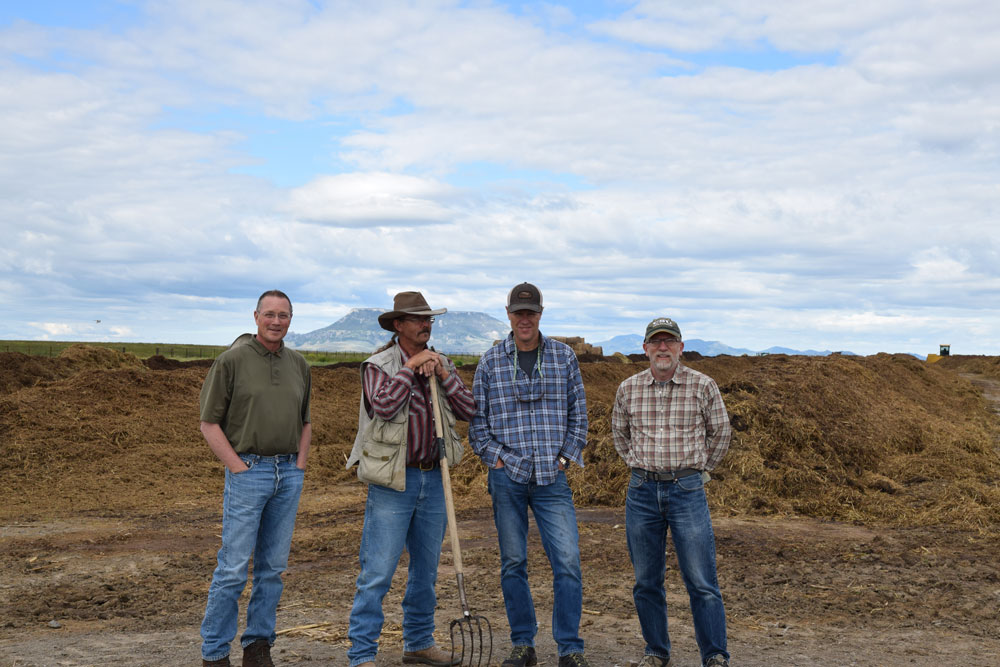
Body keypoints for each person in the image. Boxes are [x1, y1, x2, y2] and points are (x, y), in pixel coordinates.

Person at [344, 291, 475, 667]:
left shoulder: (442, 362)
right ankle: (362, 654)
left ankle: (418, 643)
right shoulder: (378, 365)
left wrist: (443, 373)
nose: (426, 325)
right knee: (378, 571)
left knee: (426, 570)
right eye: (418, 319)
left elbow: (468, 408)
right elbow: (382, 406)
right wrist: (409, 367)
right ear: (398, 325)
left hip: (434, 479)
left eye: (429, 319)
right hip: (391, 482)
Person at [469, 282, 591, 667]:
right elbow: (477, 424)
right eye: (518, 312)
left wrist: (564, 460)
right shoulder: (490, 362)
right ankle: (524, 645)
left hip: (552, 479)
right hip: (508, 478)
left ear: (540, 314)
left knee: (568, 562)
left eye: (531, 312)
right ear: (508, 314)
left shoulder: (563, 357)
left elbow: (580, 417)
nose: (525, 318)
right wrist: (497, 461)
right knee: (513, 563)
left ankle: (569, 648)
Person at [199, 290, 312, 667]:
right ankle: (214, 654)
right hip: (249, 471)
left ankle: (258, 647)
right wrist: (237, 467)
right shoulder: (231, 361)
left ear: (291, 319)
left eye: (283, 315)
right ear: (256, 316)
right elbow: (208, 422)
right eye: (270, 314)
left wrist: (299, 465)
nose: (276, 321)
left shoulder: (299, 364)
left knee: (273, 569)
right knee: (232, 569)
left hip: (288, 474)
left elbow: (306, 420)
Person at [611, 317, 733, 667]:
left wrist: (698, 470)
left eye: (669, 342)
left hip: (687, 490)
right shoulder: (628, 388)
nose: (662, 348)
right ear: (645, 348)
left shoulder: (703, 386)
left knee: (701, 580)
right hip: (642, 491)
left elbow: (721, 433)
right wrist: (639, 463)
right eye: (656, 342)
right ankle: (656, 652)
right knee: (646, 581)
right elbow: (620, 434)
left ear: (681, 347)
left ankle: (714, 655)